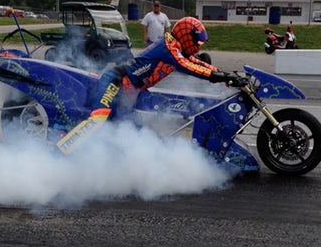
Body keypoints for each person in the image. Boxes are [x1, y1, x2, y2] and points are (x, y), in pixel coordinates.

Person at [56, 16, 245, 154]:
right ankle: (60, 152)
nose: (199, 46)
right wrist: (217, 76)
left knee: (134, 132)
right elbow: (187, 66)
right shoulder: (169, 47)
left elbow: (196, 62)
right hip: (117, 80)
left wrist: (224, 74)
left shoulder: (178, 48)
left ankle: (100, 160)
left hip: (131, 92)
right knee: (99, 118)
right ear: (186, 36)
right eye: (197, 42)